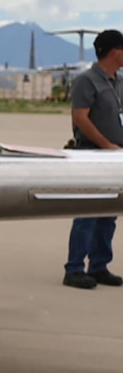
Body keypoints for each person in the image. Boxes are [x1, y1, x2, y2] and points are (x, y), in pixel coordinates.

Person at [64, 29, 123, 289]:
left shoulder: (117, 81)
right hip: (92, 152)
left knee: (109, 214)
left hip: (115, 155)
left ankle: (99, 265)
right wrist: (106, 145)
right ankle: (74, 268)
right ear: (114, 52)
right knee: (87, 212)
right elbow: (80, 117)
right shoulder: (87, 81)